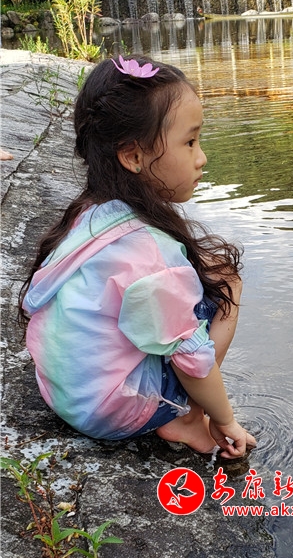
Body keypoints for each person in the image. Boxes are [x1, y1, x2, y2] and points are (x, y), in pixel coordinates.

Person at [19, 55, 256, 459]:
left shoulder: (90, 212)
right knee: (226, 283)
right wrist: (226, 419)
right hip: (111, 413)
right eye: (190, 142)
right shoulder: (149, 254)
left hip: (65, 392)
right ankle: (187, 417)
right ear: (132, 157)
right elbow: (191, 358)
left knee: (206, 272)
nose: (201, 157)